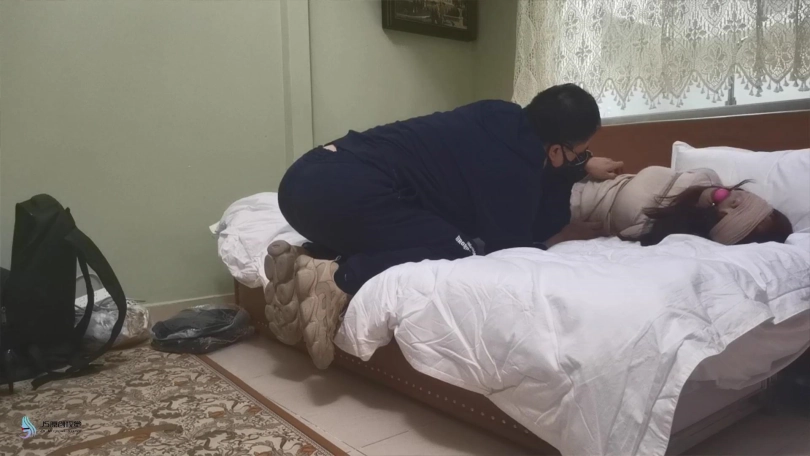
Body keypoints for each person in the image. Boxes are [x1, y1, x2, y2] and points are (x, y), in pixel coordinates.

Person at [264, 84, 624, 369]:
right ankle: (337, 279)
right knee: (460, 247)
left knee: (408, 224)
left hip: (303, 182)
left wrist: (577, 164)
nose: (580, 158)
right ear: (556, 150)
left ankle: (310, 259)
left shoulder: (496, 113)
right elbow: (512, 246)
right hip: (341, 193)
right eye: (579, 151)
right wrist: (561, 226)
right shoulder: (516, 166)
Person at [570, 166, 793, 246]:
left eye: (723, 218)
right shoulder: (704, 176)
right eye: (738, 204)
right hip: (572, 176)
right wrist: (583, 163)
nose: (724, 208)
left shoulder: (660, 231)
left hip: (566, 205)